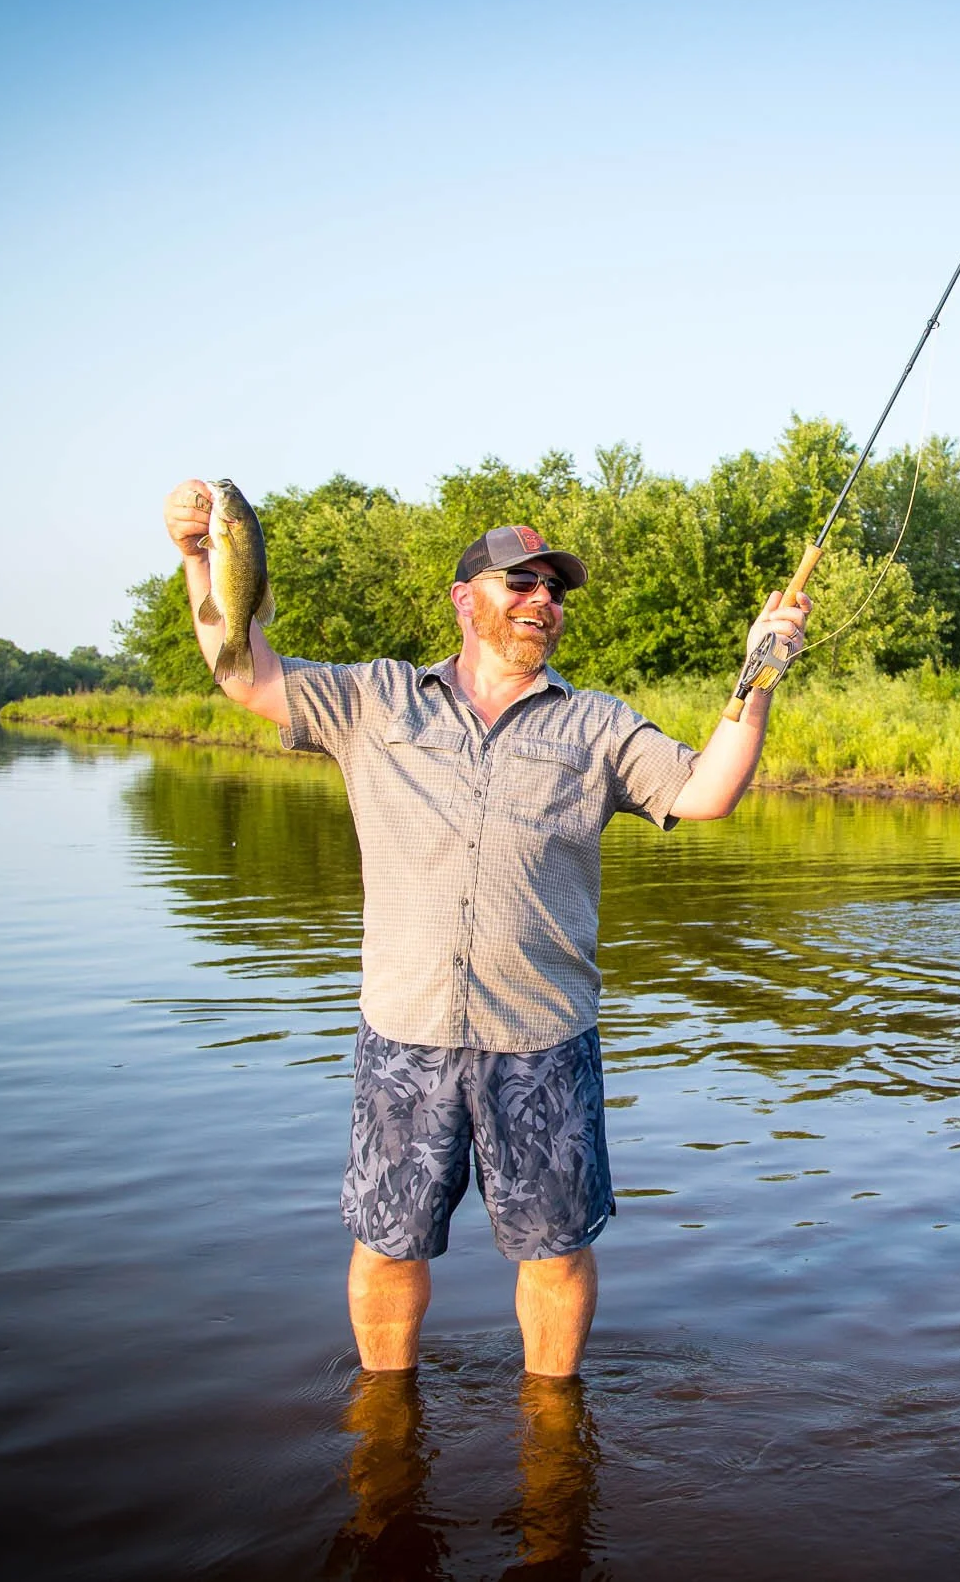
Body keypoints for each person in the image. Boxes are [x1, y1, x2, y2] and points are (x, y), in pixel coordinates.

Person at [161, 482, 810, 1380]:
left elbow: (707, 792)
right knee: (387, 1247)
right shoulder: (377, 699)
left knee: (554, 1254)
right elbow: (244, 670)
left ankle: (553, 1434)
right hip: (405, 1033)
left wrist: (761, 674)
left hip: (542, 1038)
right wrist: (200, 555)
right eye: (523, 583)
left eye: (555, 589)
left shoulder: (598, 723)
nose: (544, 601)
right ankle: (385, 1425)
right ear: (467, 600)